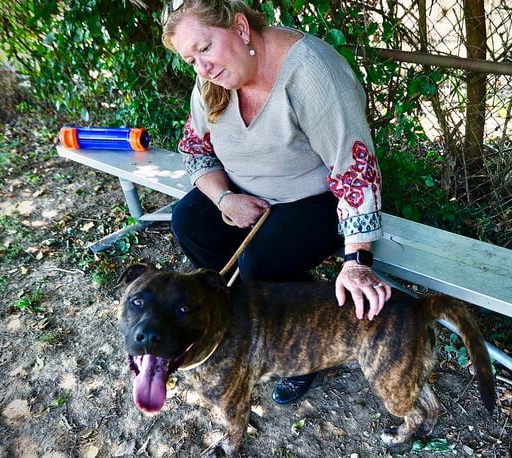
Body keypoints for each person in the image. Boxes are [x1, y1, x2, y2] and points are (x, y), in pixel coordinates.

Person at [160, 0, 391, 404]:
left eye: (205, 48)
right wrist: (224, 197)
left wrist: (357, 262)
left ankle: (301, 349)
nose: (202, 68)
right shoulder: (212, 77)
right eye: (189, 59)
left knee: (260, 264)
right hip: (243, 193)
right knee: (188, 220)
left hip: (316, 199)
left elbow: (353, 167)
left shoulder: (312, 70)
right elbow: (196, 150)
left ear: (241, 28)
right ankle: (238, 318)